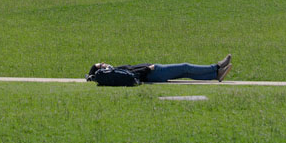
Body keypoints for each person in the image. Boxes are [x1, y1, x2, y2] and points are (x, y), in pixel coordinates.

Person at [87, 54, 232, 84]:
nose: (104, 64)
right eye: (101, 65)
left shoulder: (113, 73)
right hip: (154, 72)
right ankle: (217, 66)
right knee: (185, 66)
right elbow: (132, 74)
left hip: (153, 73)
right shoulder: (114, 72)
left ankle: (215, 74)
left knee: (185, 72)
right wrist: (149, 68)